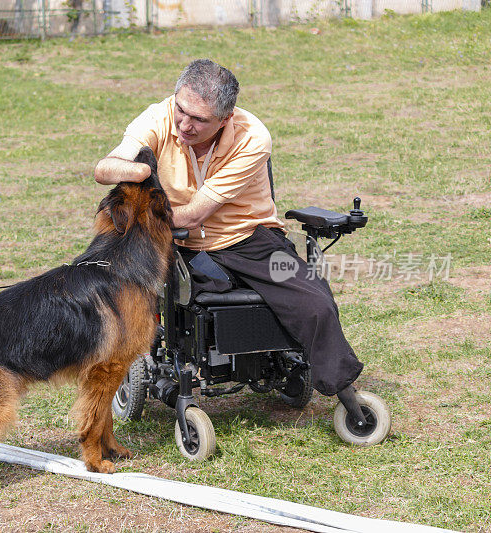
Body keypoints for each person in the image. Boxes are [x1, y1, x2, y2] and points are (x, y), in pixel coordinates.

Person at [94, 58, 362, 397]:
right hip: (180, 244)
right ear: (176, 96)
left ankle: (343, 391)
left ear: (225, 118)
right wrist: (141, 172)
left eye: (199, 119)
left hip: (249, 240)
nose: (185, 125)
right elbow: (105, 169)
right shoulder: (158, 118)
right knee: (127, 290)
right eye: (181, 110)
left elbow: (193, 216)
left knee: (315, 301)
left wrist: (147, 213)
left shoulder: (253, 138)